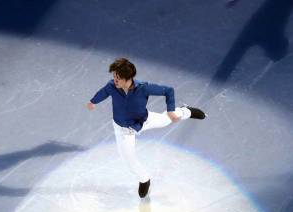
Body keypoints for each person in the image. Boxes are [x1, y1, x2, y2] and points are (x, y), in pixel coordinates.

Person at [87, 58, 206, 198]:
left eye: (117, 78)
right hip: (123, 130)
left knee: (166, 120)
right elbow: (103, 92)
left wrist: (170, 110)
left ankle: (186, 111)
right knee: (128, 158)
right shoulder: (112, 86)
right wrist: (93, 101)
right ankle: (144, 179)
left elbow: (168, 91)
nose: (114, 80)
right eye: (113, 76)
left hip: (144, 120)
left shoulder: (143, 88)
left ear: (127, 78)